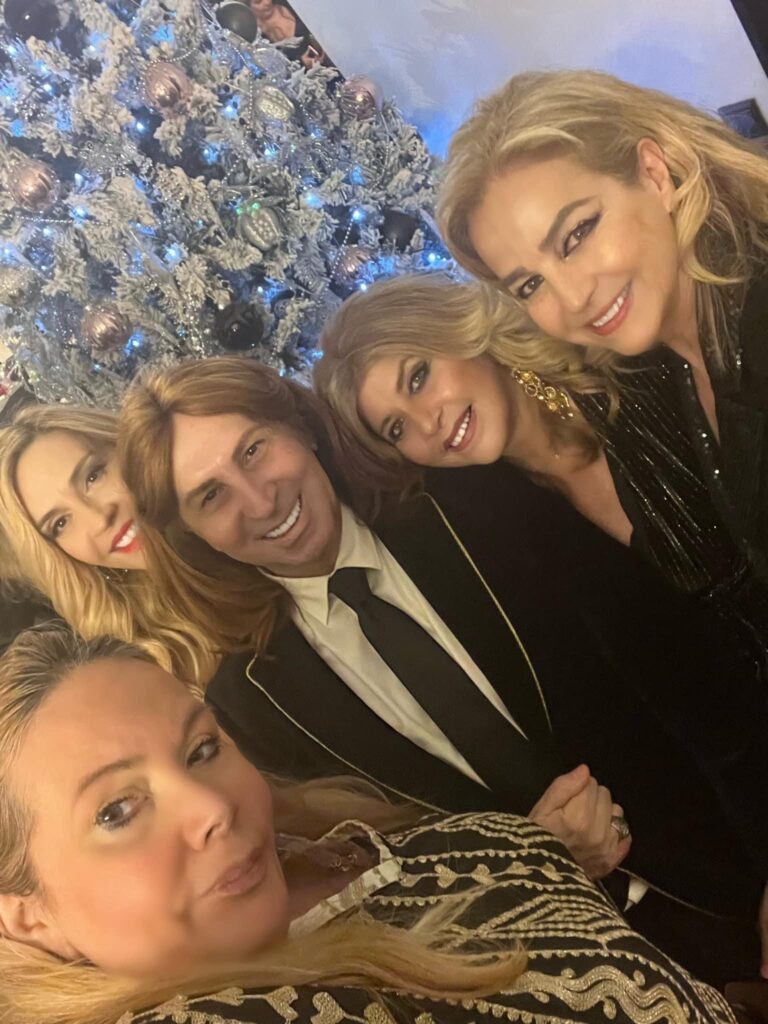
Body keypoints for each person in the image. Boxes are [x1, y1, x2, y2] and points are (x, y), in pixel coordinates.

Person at [118, 355, 768, 985]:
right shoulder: (250, 704)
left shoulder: (469, 496)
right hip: (558, 977)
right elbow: (378, 898)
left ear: (300, 428)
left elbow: (681, 665)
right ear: (192, 535)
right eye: (210, 495)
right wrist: (535, 864)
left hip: (728, 865)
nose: (259, 500)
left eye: (254, 450)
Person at [0, 622, 739, 1024]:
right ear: (28, 916)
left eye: (201, 750)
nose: (212, 807)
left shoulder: (330, 836)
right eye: (117, 810)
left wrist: (553, 856)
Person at [314, 272, 768, 660]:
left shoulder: (629, 372)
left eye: (417, 378)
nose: (427, 423)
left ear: (457, 330)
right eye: (396, 428)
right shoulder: (495, 535)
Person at [436, 69, 768, 589]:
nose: (572, 299)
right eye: (530, 285)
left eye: (576, 235)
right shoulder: (666, 362)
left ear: (654, 174)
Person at [0, 404, 216, 680]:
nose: (100, 519)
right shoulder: (142, 665)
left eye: (93, 476)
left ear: (125, 447)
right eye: (60, 524)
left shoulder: (253, 511)